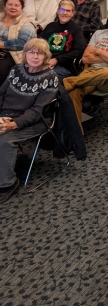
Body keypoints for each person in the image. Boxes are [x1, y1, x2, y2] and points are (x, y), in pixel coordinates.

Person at [0, 38, 59, 203]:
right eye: (31, 52)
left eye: (40, 53)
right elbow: (1, 94)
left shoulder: (50, 77)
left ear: (46, 56)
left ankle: (8, 183)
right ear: (25, 54)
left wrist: (14, 124)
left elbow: (37, 111)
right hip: (7, 115)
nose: (35, 56)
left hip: (36, 122)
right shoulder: (17, 69)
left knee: (4, 139)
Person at [62, 5, 108, 131]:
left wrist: (98, 51)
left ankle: (69, 82)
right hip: (90, 75)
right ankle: (77, 134)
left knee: (105, 71)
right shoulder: (98, 33)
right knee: (73, 94)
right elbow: (85, 58)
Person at [39, 0, 86, 81]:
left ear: (72, 13)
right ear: (57, 11)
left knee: (43, 78)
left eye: (68, 11)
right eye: (62, 10)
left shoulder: (76, 29)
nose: (64, 13)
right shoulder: (50, 26)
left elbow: (79, 50)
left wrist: (57, 60)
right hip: (45, 61)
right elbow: (39, 44)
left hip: (65, 66)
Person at [0, 0, 36, 86]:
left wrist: (1, 44)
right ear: (5, 6)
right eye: (10, 4)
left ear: (22, 8)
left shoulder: (26, 24)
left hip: (13, 56)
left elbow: (23, 43)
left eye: (16, 5)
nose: (13, 7)